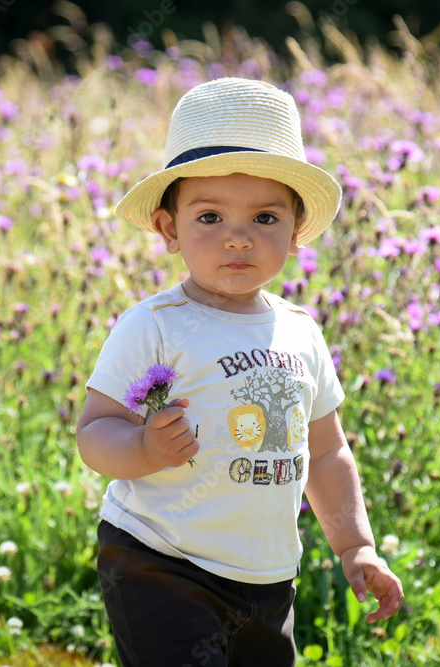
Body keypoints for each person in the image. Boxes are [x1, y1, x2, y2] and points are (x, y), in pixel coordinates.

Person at [76, 77, 404, 666]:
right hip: (160, 558)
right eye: (208, 217)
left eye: (264, 217)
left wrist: (356, 546)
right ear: (168, 229)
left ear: (297, 231)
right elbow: (95, 433)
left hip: (267, 572)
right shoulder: (154, 325)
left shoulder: (300, 331)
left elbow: (327, 453)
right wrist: (145, 447)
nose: (237, 237)